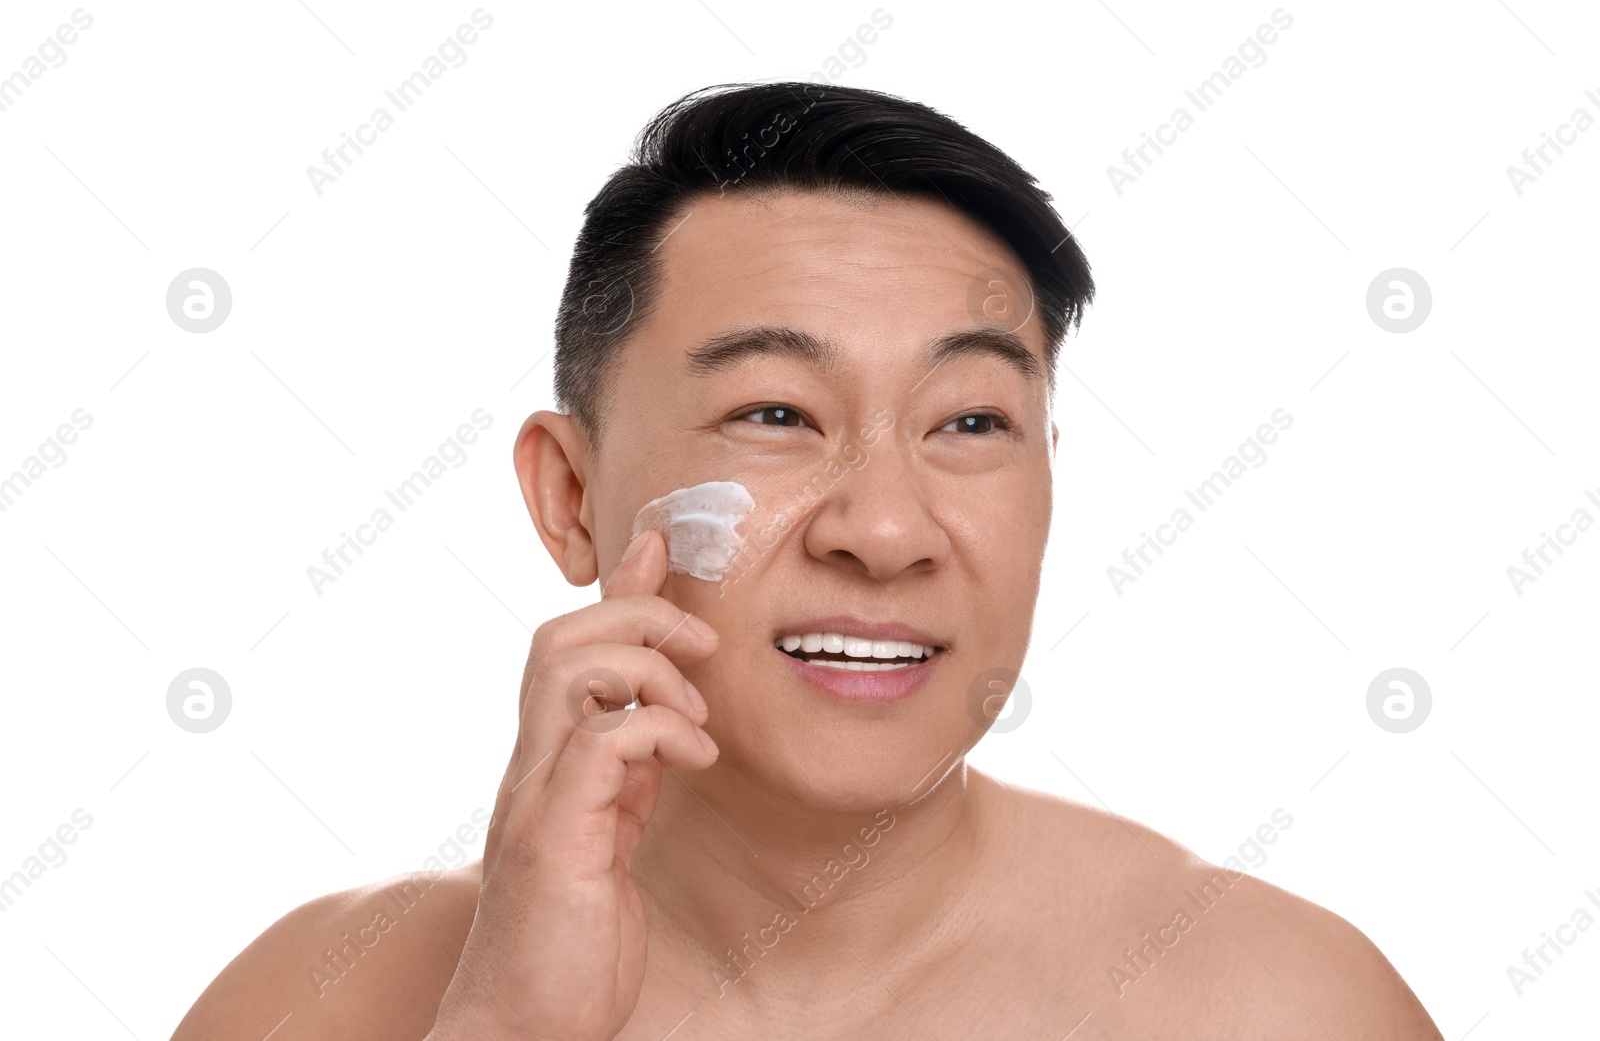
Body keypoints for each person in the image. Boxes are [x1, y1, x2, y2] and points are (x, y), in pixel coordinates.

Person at [172, 81, 1442, 1040]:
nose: (884, 531)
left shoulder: (1280, 1004)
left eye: (970, 422)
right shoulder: (315, 1001)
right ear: (569, 497)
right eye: (776, 414)